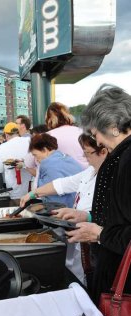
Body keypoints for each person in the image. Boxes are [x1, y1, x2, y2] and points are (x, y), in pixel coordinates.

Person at [54, 84, 131, 304]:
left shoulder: (127, 158)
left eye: (96, 133)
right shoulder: (122, 155)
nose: (97, 142)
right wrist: (90, 219)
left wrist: (100, 234)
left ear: (113, 125)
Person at [20, 134, 108, 283]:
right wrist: (33, 193)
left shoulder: (112, 175)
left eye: (87, 153)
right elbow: (63, 184)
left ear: (104, 151)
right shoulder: (90, 171)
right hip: (82, 239)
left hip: (99, 241)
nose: (85, 157)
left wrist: (87, 216)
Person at [23, 133, 82, 208]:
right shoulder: (65, 157)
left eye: (35, 155)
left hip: (64, 211)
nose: (36, 159)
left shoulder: (48, 164)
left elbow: (55, 198)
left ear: (44, 150)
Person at [0, 122, 32, 203]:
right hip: (33, 187)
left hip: (14, 190)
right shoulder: (29, 141)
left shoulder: (3, 147)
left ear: (6, 135)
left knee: (18, 211)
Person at [45, 102, 88, 169]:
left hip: (61, 176)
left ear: (49, 118)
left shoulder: (47, 136)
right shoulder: (82, 131)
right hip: (86, 174)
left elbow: (30, 162)